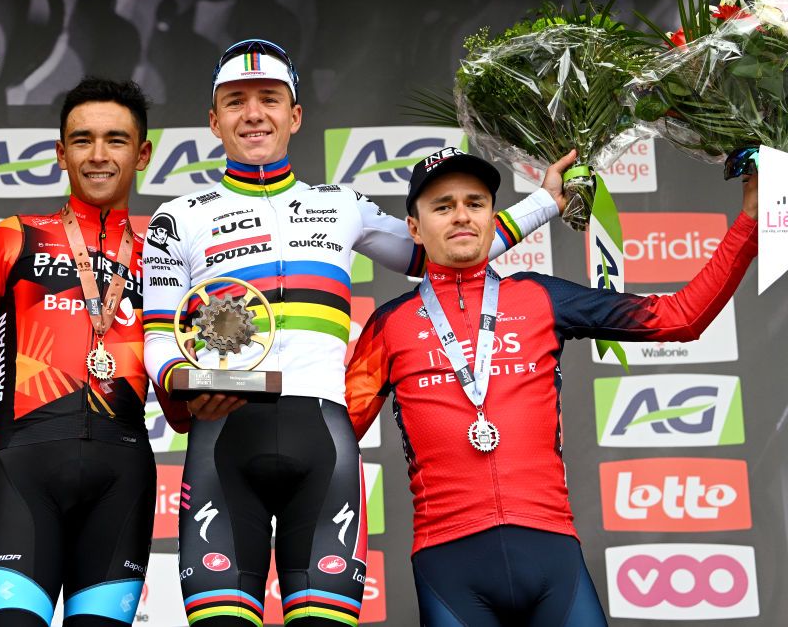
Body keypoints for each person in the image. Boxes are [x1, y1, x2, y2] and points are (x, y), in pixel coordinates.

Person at [141, 39, 569, 626]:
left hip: (324, 442)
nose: (254, 113)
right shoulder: (178, 217)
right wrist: (184, 385)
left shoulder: (343, 205)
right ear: (214, 120)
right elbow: (161, 338)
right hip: (223, 441)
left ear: (296, 116)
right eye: (235, 101)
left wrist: (545, 202)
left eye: (270, 98)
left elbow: (443, 251)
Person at [345, 147, 759, 626]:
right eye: (442, 206)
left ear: (492, 216)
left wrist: (748, 221)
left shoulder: (541, 296)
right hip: (449, 566)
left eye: (475, 203)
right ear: (414, 228)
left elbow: (680, 318)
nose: (461, 216)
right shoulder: (389, 325)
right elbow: (334, 431)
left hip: (552, 555)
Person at [0, 78, 185, 626]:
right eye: (82, 140)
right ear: (60, 153)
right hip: (27, 474)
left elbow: (181, 410)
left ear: (142, 153)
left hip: (122, 481)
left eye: (115, 140)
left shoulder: (162, 260)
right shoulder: (18, 236)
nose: (98, 155)